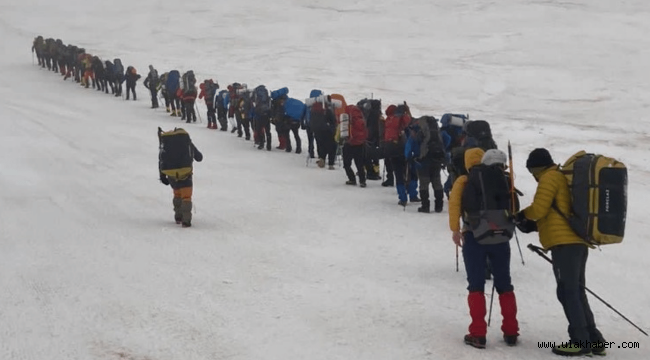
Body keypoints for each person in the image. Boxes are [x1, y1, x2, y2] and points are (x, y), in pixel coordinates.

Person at [514, 148, 605, 357]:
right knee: (576, 290)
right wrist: (536, 226)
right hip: (575, 241)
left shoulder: (549, 177)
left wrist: (521, 216)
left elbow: (539, 209)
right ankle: (594, 339)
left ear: (536, 168)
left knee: (567, 291)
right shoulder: (560, 176)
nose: (533, 176)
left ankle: (580, 341)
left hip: (564, 245)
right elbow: (556, 213)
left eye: (531, 171)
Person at [449, 148, 519, 349]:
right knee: (505, 283)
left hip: (474, 237)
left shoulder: (464, 180)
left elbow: (454, 205)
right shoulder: (503, 179)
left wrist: (455, 230)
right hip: (501, 239)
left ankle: (478, 333)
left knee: (476, 284)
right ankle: (511, 331)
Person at [158, 128, 203, 228]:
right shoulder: (187, 144)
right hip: (186, 173)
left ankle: (178, 216)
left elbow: (161, 159)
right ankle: (186, 220)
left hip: (172, 174)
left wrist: (162, 175)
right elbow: (199, 157)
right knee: (186, 197)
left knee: (177, 194)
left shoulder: (168, 144)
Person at [341, 105, 368, 187]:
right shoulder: (362, 119)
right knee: (359, 164)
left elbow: (342, 132)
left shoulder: (346, 118)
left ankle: (352, 179)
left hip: (349, 143)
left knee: (346, 164)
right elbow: (366, 132)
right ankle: (362, 181)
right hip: (360, 144)